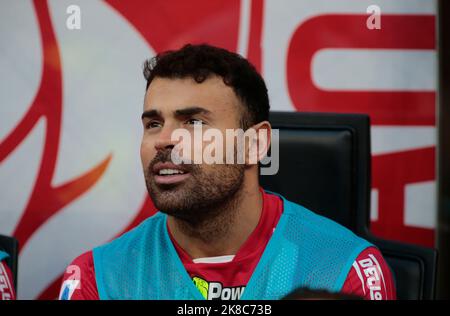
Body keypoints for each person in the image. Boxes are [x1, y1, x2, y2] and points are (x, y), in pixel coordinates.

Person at [59, 44, 396, 300]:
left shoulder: (343, 272)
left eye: (193, 122)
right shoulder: (97, 279)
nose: (163, 141)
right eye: (154, 123)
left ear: (254, 144)